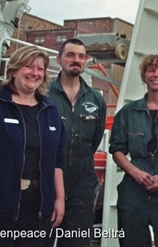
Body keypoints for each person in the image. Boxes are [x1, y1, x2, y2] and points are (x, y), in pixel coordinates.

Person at [0, 46, 65, 246]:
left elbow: (57, 159)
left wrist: (59, 199)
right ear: (14, 70)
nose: (34, 73)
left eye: (40, 69)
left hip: (38, 210)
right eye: (28, 66)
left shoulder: (50, 111)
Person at [109, 54, 158, 247]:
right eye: (151, 70)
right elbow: (117, 149)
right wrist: (136, 173)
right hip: (134, 192)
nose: (156, 75)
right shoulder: (128, 112)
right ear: (143, 76)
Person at [46, 39, 106, 247]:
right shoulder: (44, 94)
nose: (76, 60)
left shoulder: (95, 99)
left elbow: (94, 139)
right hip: (46, 183)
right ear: (59, 59)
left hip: (82, 186)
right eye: (71, 55)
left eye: (81, 56)